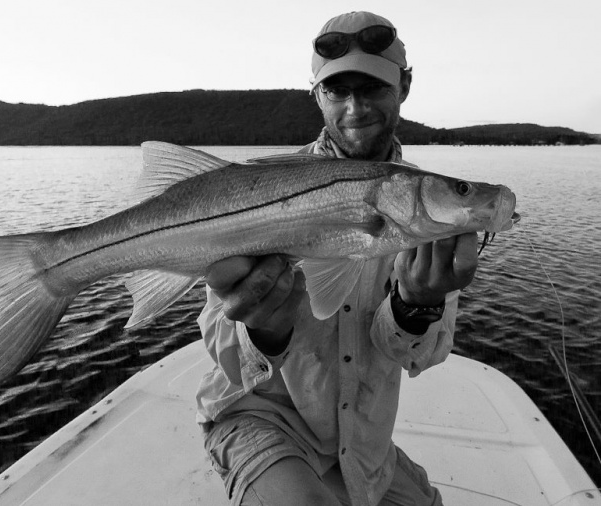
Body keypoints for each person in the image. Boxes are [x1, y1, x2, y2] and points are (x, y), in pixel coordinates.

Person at [195, 10, 478, 506]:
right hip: (259, 415)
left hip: (362, 443)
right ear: (316, 96)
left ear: (404, 87)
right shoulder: (262, 190)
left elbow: (419, 356)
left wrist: (417, 305)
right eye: (336, 91)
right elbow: (223, 350)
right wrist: (264, 329)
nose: (354, 108)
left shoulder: (428, 208)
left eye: (371, 88)